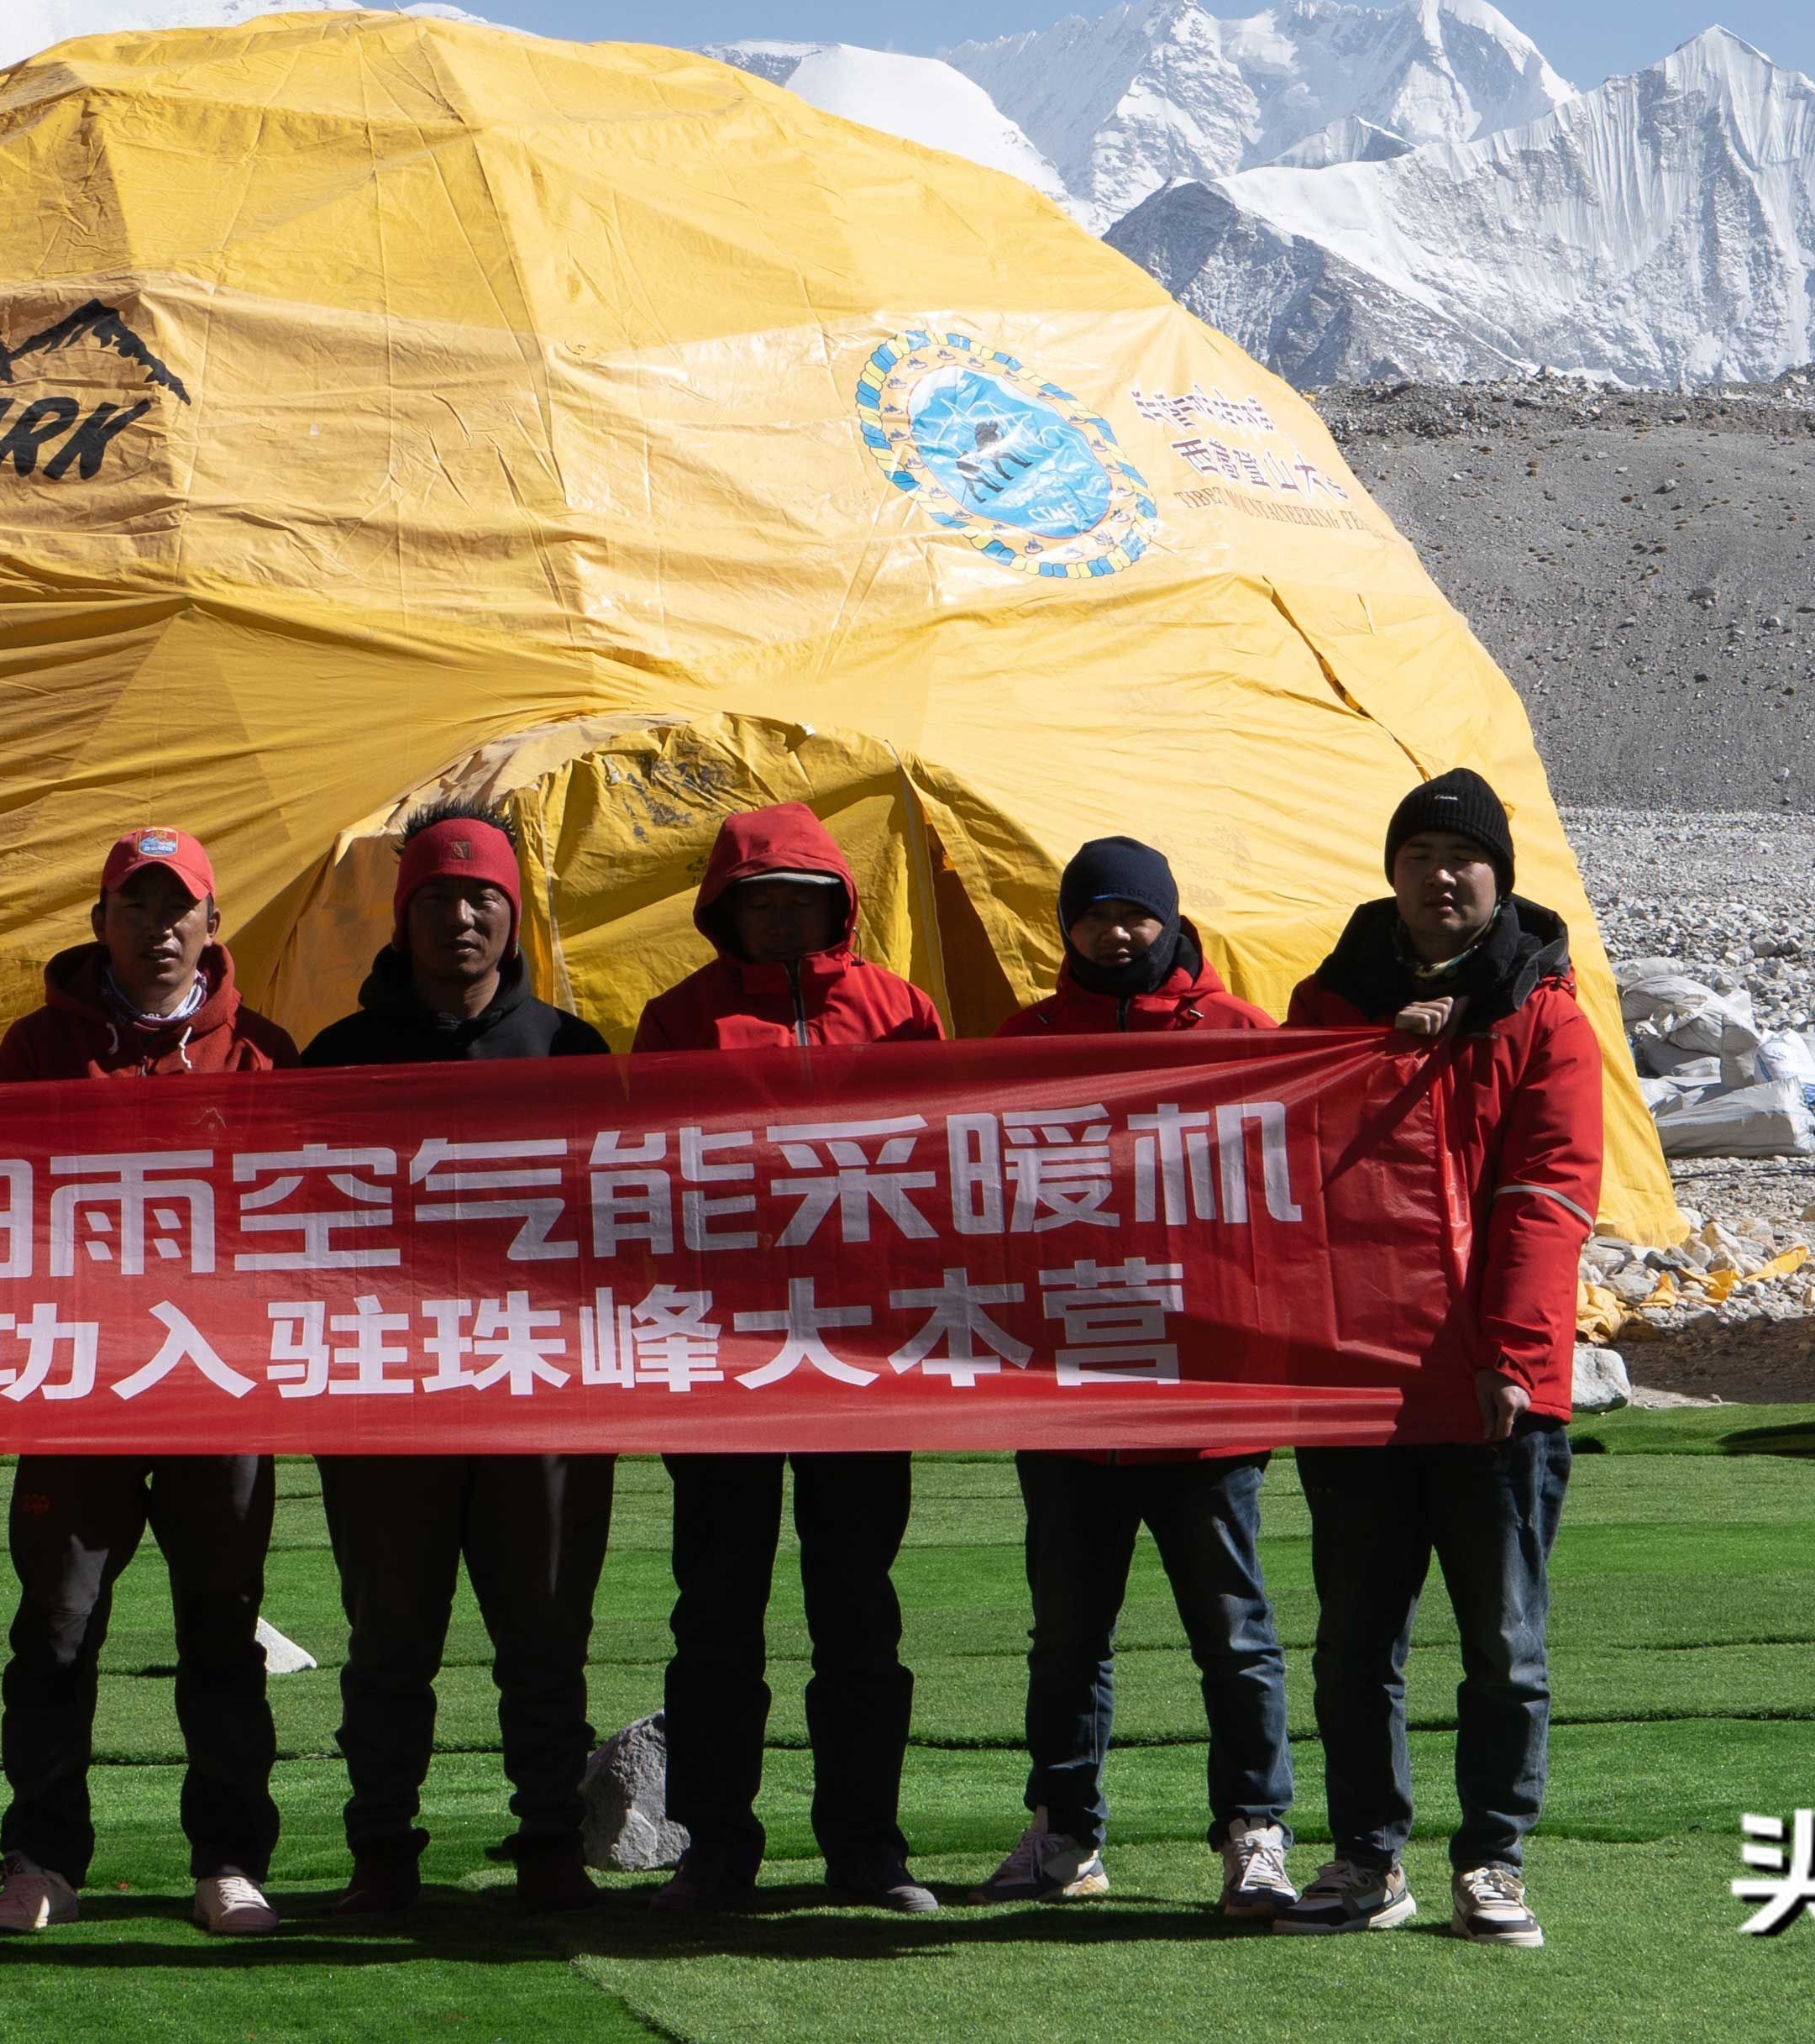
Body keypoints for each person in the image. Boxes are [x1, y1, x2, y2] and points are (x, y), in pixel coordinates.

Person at [1274, 769, 1603, 1952]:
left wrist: (1512, 1356)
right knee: (1355, 1644)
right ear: (1392, 875)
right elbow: (1280, 1159)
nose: (1441, 877)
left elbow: (1546, 1196)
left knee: (1503, 1646)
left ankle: (1493, 1859)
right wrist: (1378, 1050)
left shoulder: (1545, 1014)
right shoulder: (1330, 1002)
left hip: (1493, 1390)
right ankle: (1368, 1858)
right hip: (1359, 1381)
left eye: (1463, 859)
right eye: (1419, 856)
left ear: (1499, 879)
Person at [0, 827, 302, 1937]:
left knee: (223, 1627)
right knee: (56, 1630)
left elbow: (301, 1216)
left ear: (212, 924)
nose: (158, 929)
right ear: (100, 922)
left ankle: (229, 1860)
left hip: (218, 1385)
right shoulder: (37, 1047)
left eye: (178, 909)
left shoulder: (261, 1052)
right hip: (79, 1384)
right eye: (136, 907)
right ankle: (40, 1861)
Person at [627, 801, 947, 1916]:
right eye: (756, 901)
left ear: (835, 904)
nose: (777, 918)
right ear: (725, 909)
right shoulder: (679, 1019)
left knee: (859, 1611)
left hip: (861, 1359)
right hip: (723, 1359)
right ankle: (715, 1847)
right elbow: (643, 1179)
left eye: (797, 900)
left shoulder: (902, 1013)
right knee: (715, 1615)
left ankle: (867, 1848)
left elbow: (948, 1164)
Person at [298, 804, 616, 1916]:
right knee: (390, 1642)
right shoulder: (339, 1059)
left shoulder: (573, 1053)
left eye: (483, 896)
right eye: (437, 896)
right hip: (387, 1398)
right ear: (404, 915)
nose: (462, 916)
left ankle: (551, 1848)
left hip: (543, 1399)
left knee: (546, 1639)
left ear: (513, 914)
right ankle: (382, 1854)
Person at [973, 836, 1295, 1916]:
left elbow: (1300, 1188)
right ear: (1066, 925)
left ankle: (1256, 1832)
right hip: (1068, 1396)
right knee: (1067, 1638)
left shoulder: (1243, 1036)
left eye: (1135, 915)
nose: (1116, 934)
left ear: (1170, 917)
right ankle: (1064, 1835)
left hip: (1206, 1402)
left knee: (1234, 1634)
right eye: (1095, 915)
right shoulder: (1022, 1043)